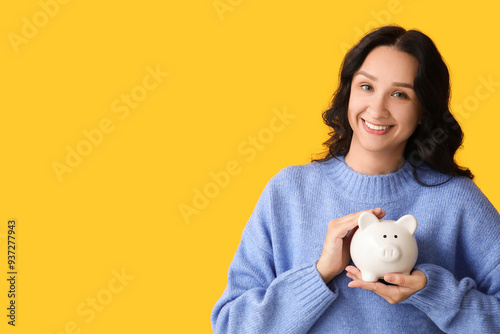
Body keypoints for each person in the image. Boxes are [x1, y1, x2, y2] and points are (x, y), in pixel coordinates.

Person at [211, 25, 500, 333]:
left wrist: (432, 291)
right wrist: (320, 273)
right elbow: (231, 325)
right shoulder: (289, 191)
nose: (377, 109)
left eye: (400, 94)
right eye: (366, 87)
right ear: (348, 92)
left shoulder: (456, 200)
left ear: (423, 110)